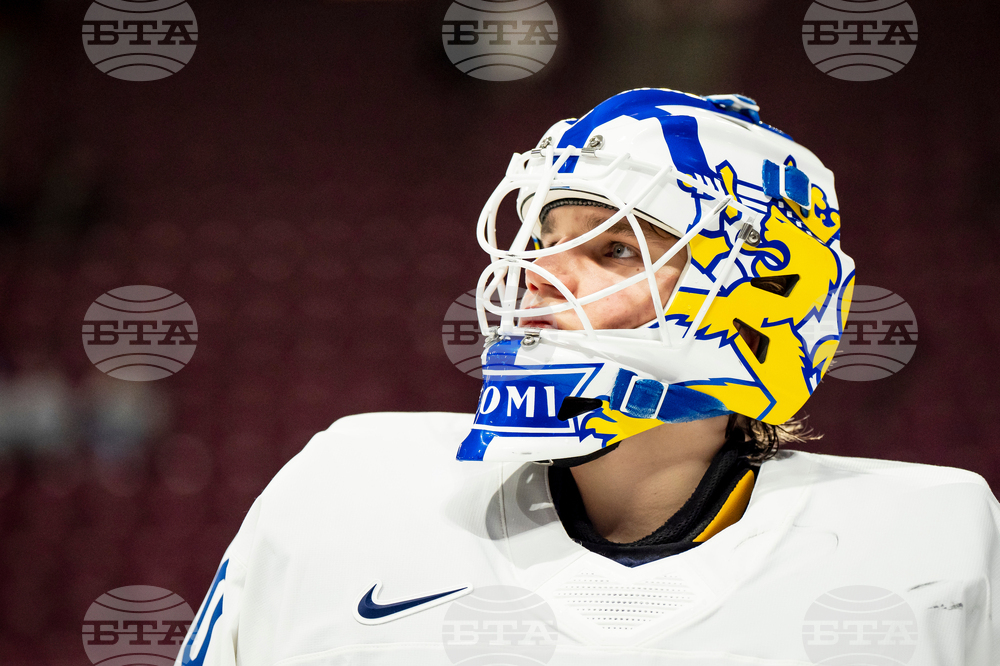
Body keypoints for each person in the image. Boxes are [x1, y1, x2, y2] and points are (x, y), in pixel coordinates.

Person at [176, 89, 1000, 666]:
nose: (536, 272)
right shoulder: (343, 485)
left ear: (758, 298)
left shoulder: (934, 545)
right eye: (542, 236)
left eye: (612, 249)